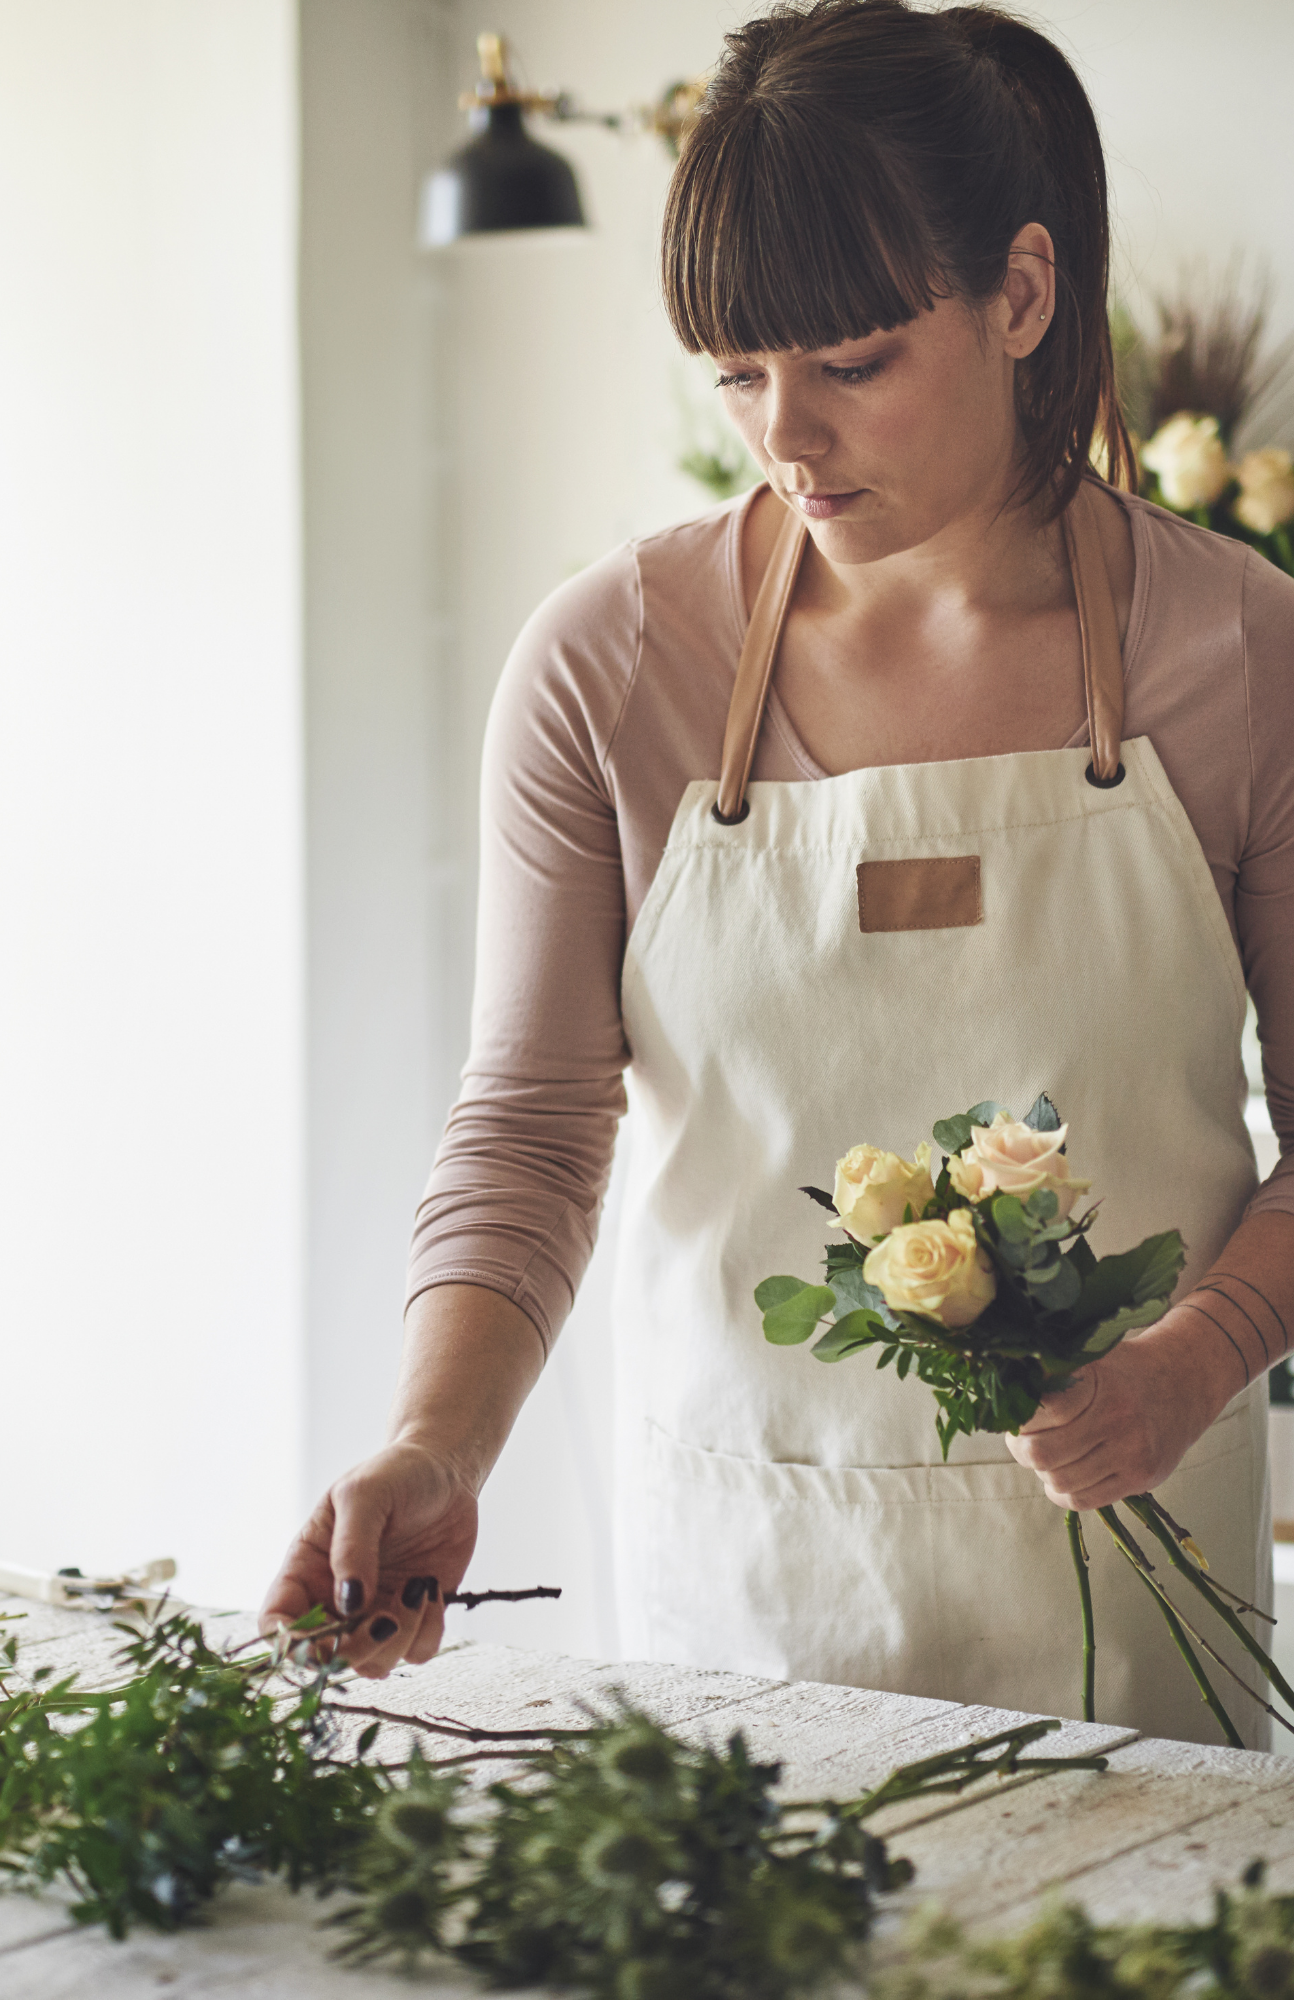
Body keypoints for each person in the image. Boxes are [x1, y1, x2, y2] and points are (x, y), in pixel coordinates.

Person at [262, 0, 1294, 1745]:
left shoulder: (1239, 652)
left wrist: (1195, 1359)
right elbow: (528, 1121)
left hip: (1132, 1598)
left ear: (1021, 296)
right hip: (744, 1592)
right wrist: (440, 1441)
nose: (784, 440)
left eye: (850, 362)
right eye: (736, 374)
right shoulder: (612, 659)